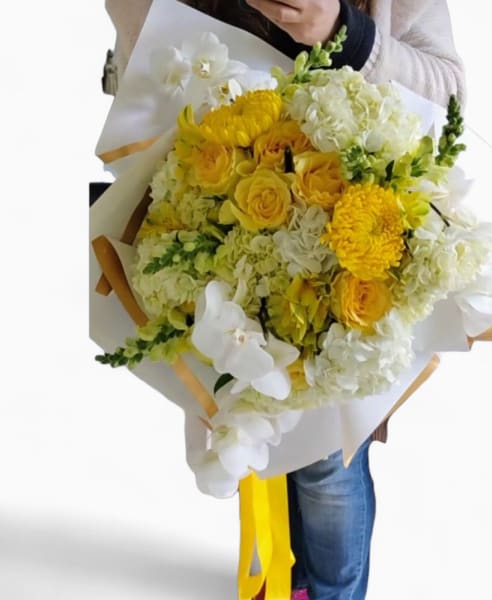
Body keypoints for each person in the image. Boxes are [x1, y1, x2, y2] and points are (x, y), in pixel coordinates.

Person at [104, 1, 465, 598]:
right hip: (214, 228)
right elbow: (138, 62)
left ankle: (331, 592)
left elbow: (449, 93)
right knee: (251, 431)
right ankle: (285, 578)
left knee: (326, 463)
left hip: (343, 256)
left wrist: (341, 32)